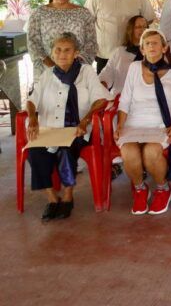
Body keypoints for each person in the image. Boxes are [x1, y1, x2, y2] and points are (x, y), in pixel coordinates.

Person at [25, 32, 109, 221]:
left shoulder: (86, 72)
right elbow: (32, 101)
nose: (62, 54)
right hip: (50, 129)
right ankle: (52, 199)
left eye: (67, 50)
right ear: (52, 53)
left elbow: (100, 100)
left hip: (77, 129)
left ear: (76, 53)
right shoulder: (47, 74)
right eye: (58, 50)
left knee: (66, 150)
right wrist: (32, 118)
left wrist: (85, 120)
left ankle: (68, 196)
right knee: (35, 152)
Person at [114, 29, 171, 215]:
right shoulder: (134, 68)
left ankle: (163, 188)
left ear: (165, 48)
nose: (151, 46)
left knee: (151, 151)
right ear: (142, 49)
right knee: (127, 151)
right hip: (135, 122)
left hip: (162, 125)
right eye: (147, 44)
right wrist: (120, 126)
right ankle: (140, 188)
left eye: (156, 43)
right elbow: (125, 100)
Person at [85, 0, 155, 73]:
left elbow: (149, 19)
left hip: (133, 54)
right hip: (105, 54)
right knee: (105, 87)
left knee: (133, 87)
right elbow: (87, 21)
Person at [27, 0, 98, 81]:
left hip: (77, 72)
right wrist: (51, 65)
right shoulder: (38, 13)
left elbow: (91, 43)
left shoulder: (84, 13)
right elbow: (33, 43)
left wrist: (74, 65)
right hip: (45, 71)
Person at [99, 15, 149, 95]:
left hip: (143, 99)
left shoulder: (152, 53)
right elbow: (108, 72)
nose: (142, 30)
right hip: (119, 96)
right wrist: (102, 84)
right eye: (138, 27)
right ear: (131, 30)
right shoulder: (120, 51)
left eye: (145, 27)